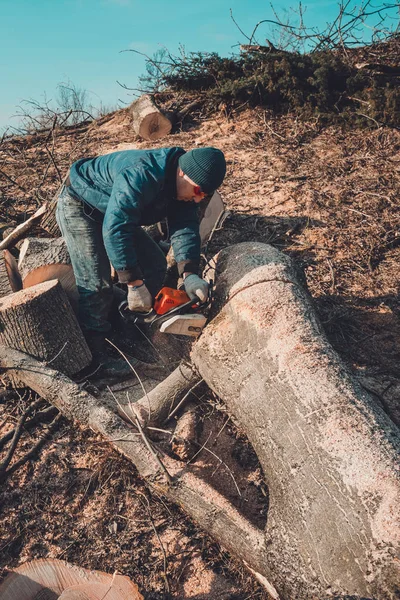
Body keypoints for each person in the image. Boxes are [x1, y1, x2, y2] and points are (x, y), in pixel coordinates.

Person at [56, 146, 226, 362]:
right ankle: (97, 356)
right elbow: (115, 228)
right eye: (197, 191)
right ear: (182, 172)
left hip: (113, 210)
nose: (198, 199)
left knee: (154, 263)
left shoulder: (184, 189)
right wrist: (134, 283)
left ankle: (134, 330)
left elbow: (185, 228)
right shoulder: (143, 173)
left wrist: (190, 273)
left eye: (205, 195)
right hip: (81, 205)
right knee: (95, 283)